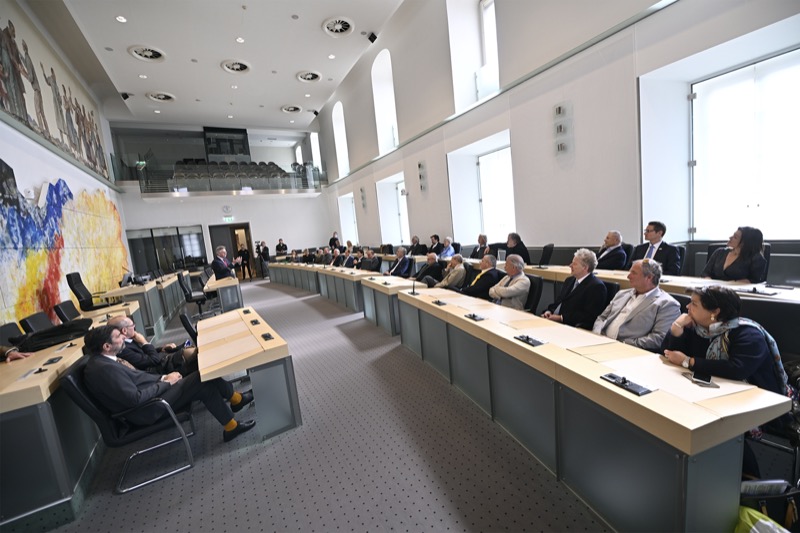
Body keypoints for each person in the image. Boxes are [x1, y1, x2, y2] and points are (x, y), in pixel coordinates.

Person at [662, 285, 794, 477]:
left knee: (716, 430)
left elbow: (737, 369)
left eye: (694, 304)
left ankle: (747, 478)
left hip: (755, 400)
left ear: (715, 312)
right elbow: (668, 354)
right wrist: (676, 328)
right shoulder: (698, 328)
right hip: (710, 392)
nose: (687, 307)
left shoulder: (747, 334)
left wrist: (689, 361)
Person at [83, 326, 256, 442]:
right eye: (118, 337)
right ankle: (235, 402)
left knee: (204, 385)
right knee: (199, 377)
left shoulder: (103, 361)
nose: (123, 337)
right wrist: (166, 382)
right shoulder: (104, 370)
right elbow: (134, 399)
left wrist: (163, 378)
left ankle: (232, 422)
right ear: (106, 346)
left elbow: (137, 381)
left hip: (152, 396)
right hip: (148, 409)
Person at [592, 260, 680, 351]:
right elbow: (602, 318)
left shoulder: (667, 304)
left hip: (627, 349)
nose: (628, 276)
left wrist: (624, 343)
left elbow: (659, 338)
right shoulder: (622, 294)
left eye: (633, 273)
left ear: (649, 277)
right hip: (600, 341)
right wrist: (597, 334)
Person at [109, 316, 198, 376]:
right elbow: (153, 360)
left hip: (160, 360)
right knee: (192, 353)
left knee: (189, 348)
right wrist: (144, 342)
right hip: (158, 369)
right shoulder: (122, 349)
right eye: (132, 325)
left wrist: (161, 349)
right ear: (124, 331)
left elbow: (144, 354)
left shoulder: (129, 340)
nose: (134, 327)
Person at [544, 248, 607, 329]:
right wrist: (549, 311)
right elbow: (559, 301)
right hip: (554, 321)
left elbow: (588, 316)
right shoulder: (569, 280)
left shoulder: (596, 287)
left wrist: (561, 318)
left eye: (574, 264)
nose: (570, 265)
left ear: (585, 267)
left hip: (571, 326)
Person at [702, 226, 767, 283]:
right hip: (712, 289)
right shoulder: (719, 252)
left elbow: (755, 281)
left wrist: (731, 284)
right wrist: (710, 283)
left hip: (739, 291)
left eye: (735, 237)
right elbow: (705, 273)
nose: (730, 237)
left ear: (744, 243)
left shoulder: (756, 258)